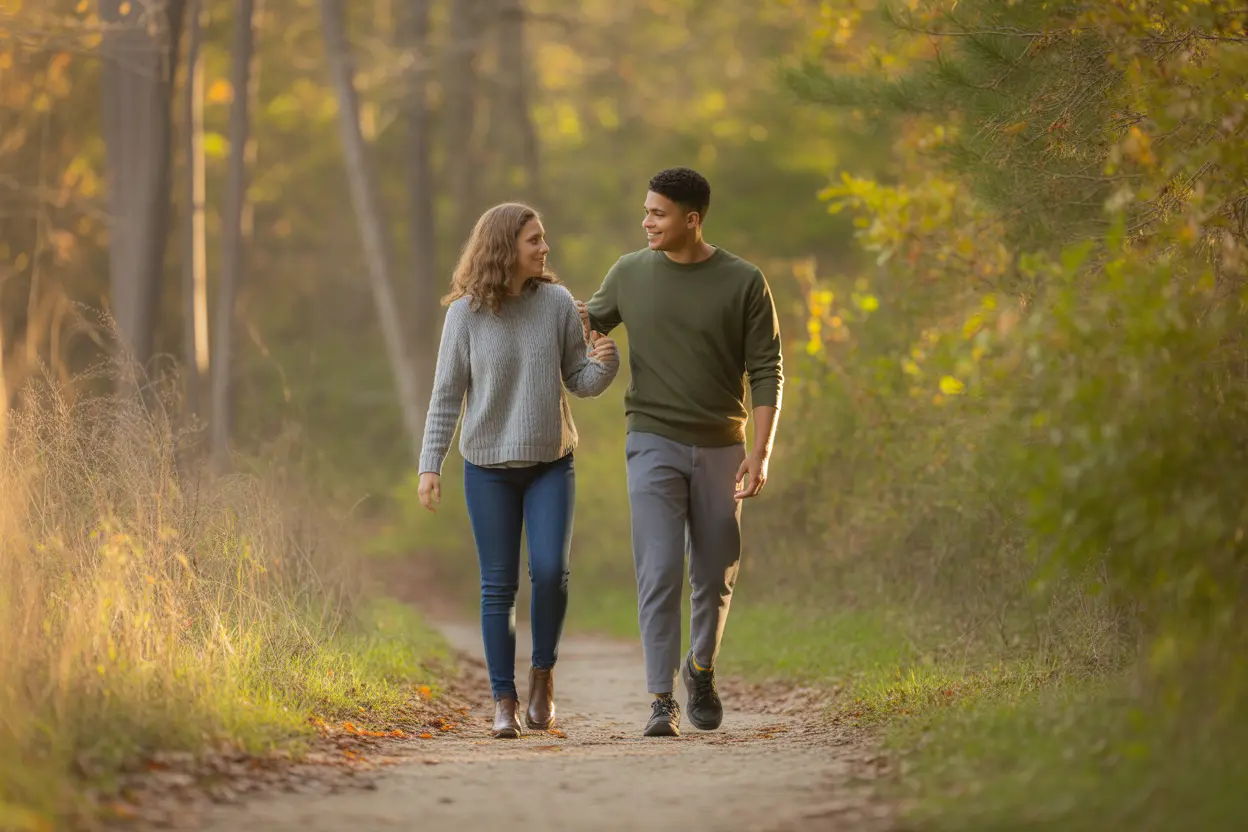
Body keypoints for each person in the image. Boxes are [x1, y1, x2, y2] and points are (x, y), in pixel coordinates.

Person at [577, 167, 784, 737]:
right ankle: (660, 698)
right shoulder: (628, 273)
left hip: (723, 443)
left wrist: (760, 452)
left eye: (658, 213)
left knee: (715, 571)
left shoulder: (744, 281)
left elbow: (768, 371)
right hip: (651, 438)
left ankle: (701, 668)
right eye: (645, 211)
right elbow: (578, 324)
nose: (646, 222)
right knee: (660, 567)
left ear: (692, 220)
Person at [418, 202, 619, 739]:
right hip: (487, 467)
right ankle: (503, 699)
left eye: (544, 238)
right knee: (497, 587)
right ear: (505, 247)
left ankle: (543, 677)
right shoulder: (463, 315)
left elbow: (579, 379)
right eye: (534, 240)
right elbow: (445, 396)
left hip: (552, 461)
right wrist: (429, 465)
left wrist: (606, 363)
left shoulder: (555, 302)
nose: (544, 248)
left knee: (551, 572)